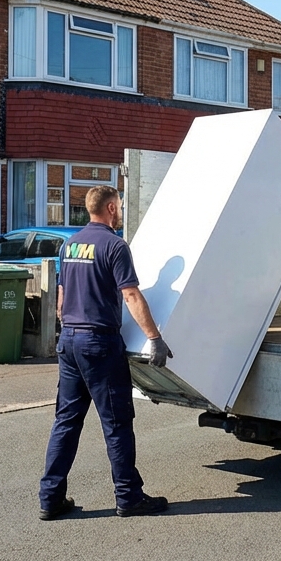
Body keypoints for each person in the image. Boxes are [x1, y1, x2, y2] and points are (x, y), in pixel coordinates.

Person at [38, 185, 173, 519]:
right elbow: (130, 295)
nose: (122, 211)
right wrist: (154, 338)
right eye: (121, 206)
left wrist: (72, 325)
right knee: (116, 423)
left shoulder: (69, 245)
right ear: (111, 208)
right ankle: (128, 497)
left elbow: (60, 296)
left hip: (69, 340)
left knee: (66, 422)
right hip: (99, 344)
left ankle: (50, 499)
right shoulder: (115, 245)